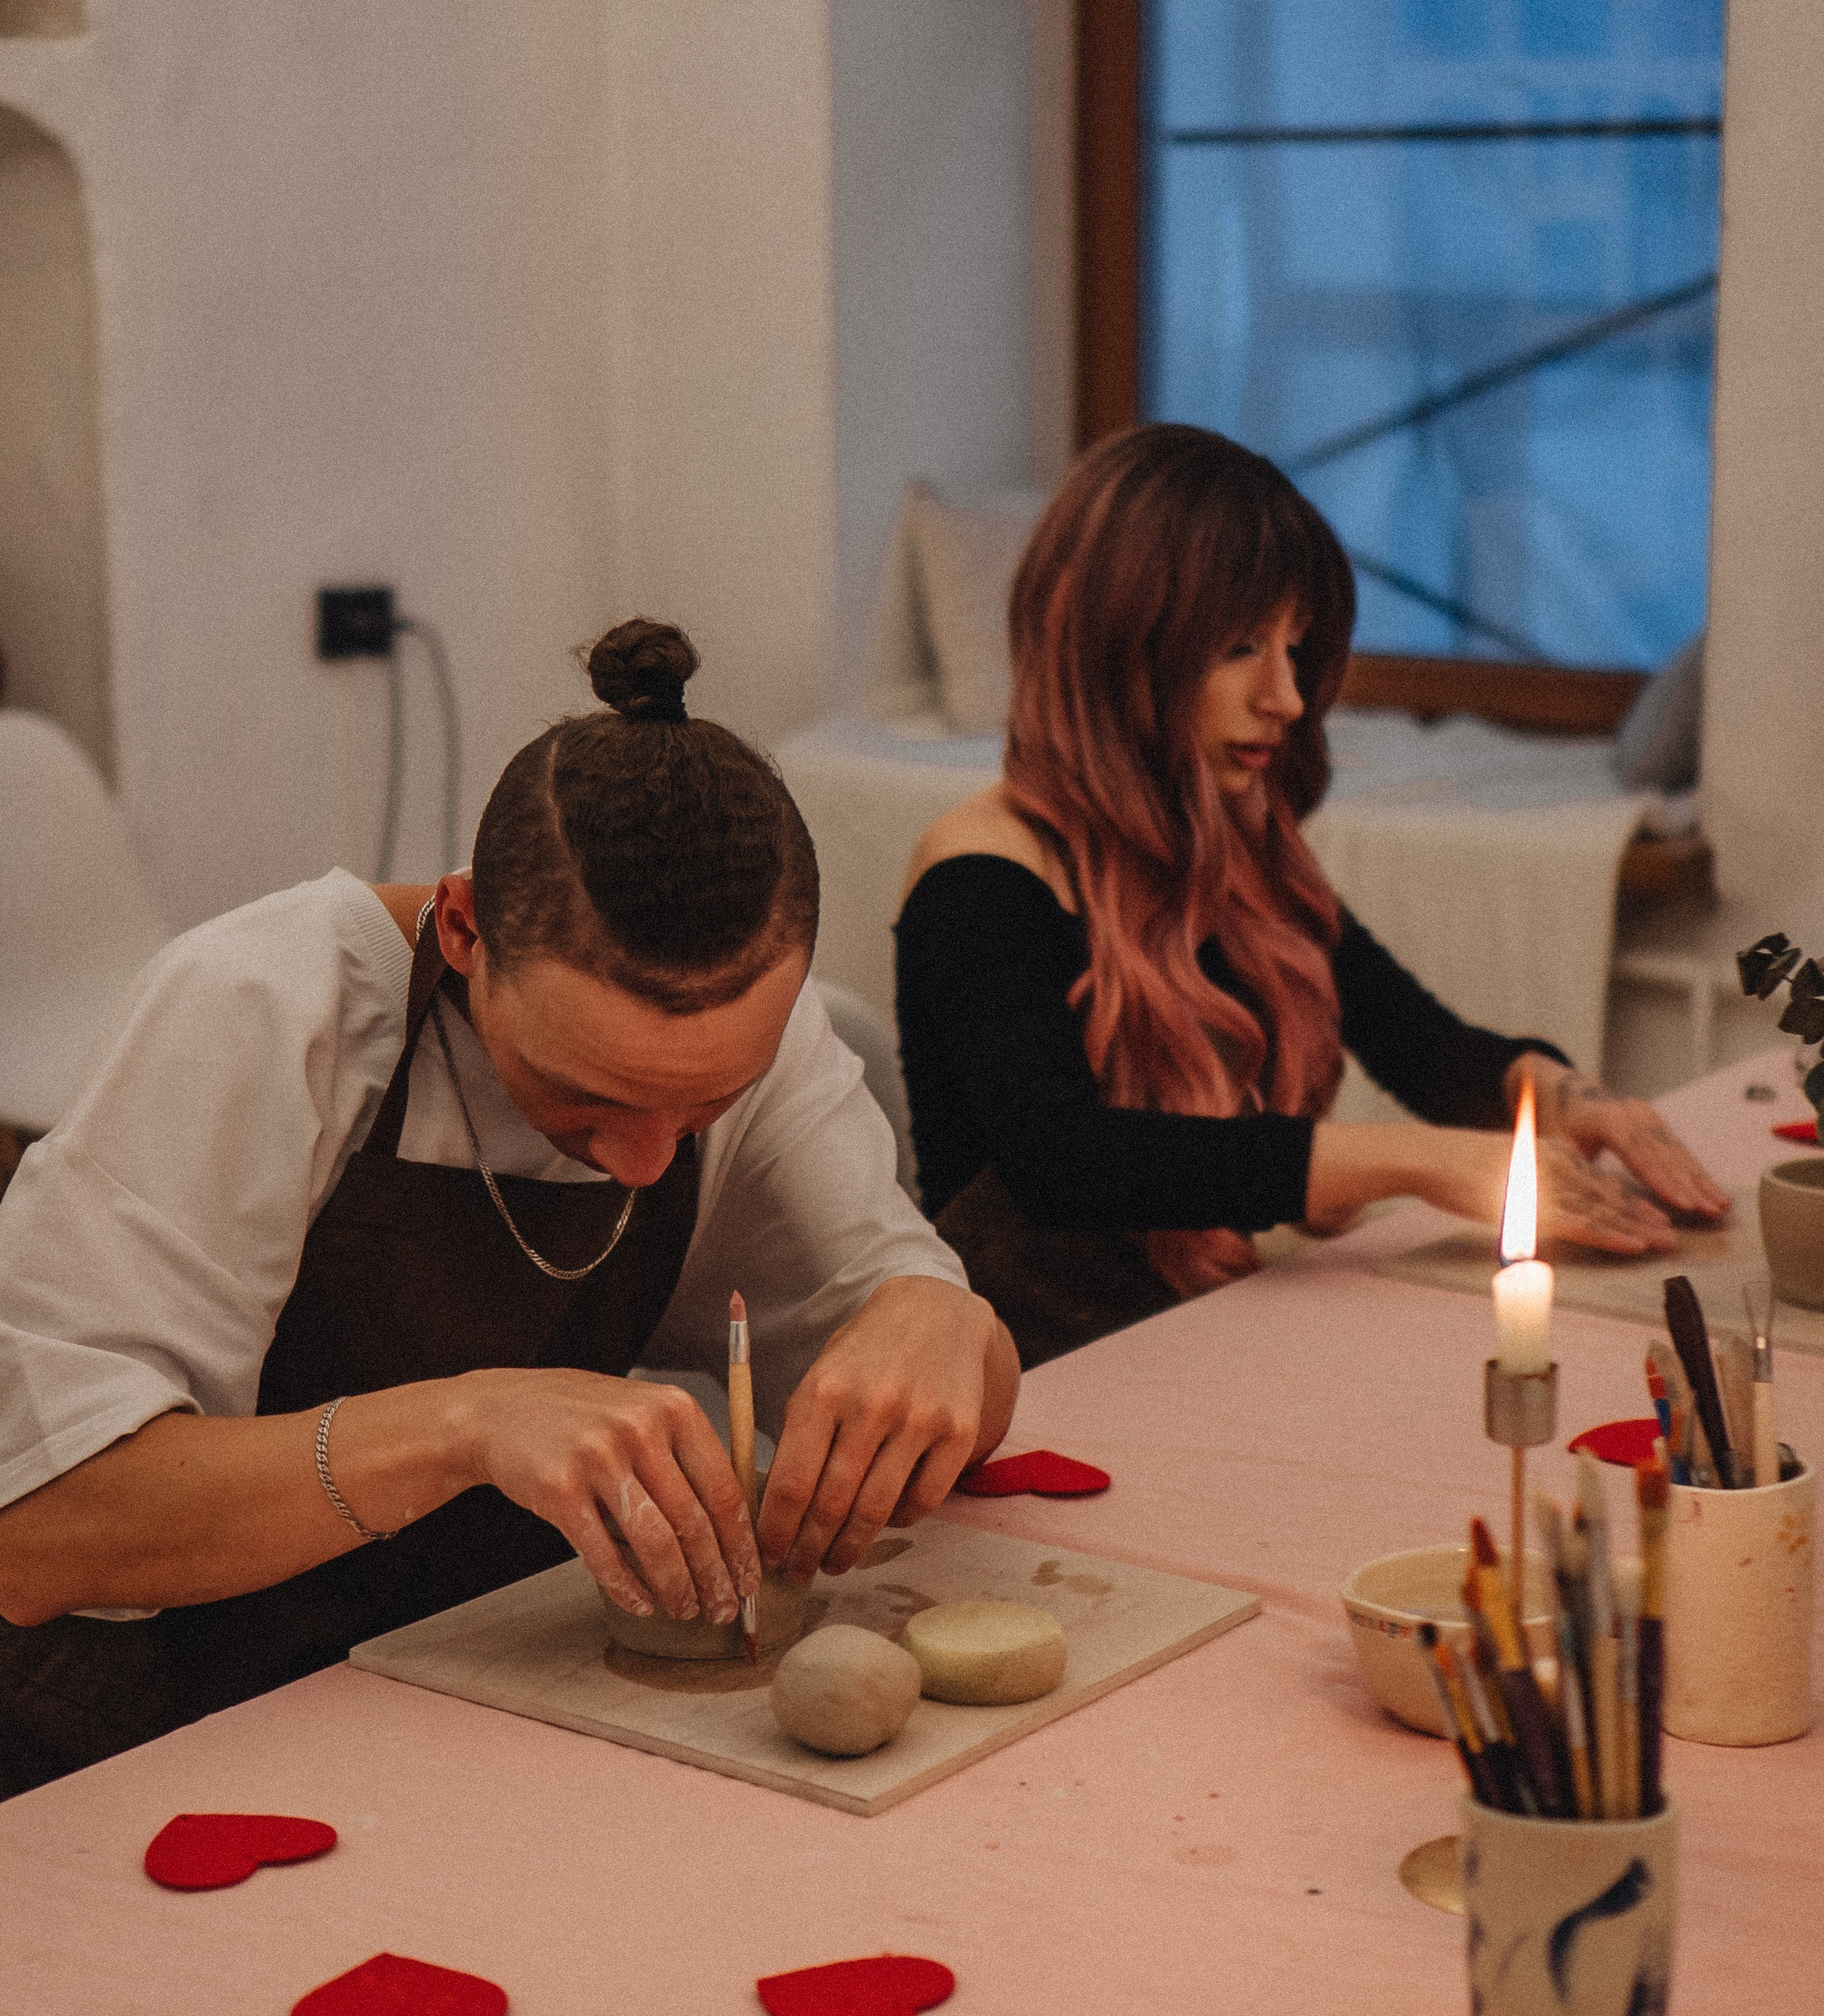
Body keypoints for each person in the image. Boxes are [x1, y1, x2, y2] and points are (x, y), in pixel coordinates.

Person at [0, 619, 1017, 1794]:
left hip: (451, 1683)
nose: (641, 1163)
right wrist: (465, 1425)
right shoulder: (266, 1010)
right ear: (467, 925)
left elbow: (941, 1387)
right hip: (151, 1724)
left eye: (699, 1109)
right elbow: (41, 1523)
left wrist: (946, 1318)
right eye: (585, 1098)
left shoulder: (748, 1045)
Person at [894, 425, 1729, 1367]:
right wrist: (1425, 1162)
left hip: (1186, 1332)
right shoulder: (980, 871)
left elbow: (1419, 1041)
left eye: (1296, 649)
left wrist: (1573, 1100)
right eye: (1243, 647)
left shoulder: (1236, 842)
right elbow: (1066, 1161)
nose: (1286, 697)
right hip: (1031, 1373)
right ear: (1116, 646)